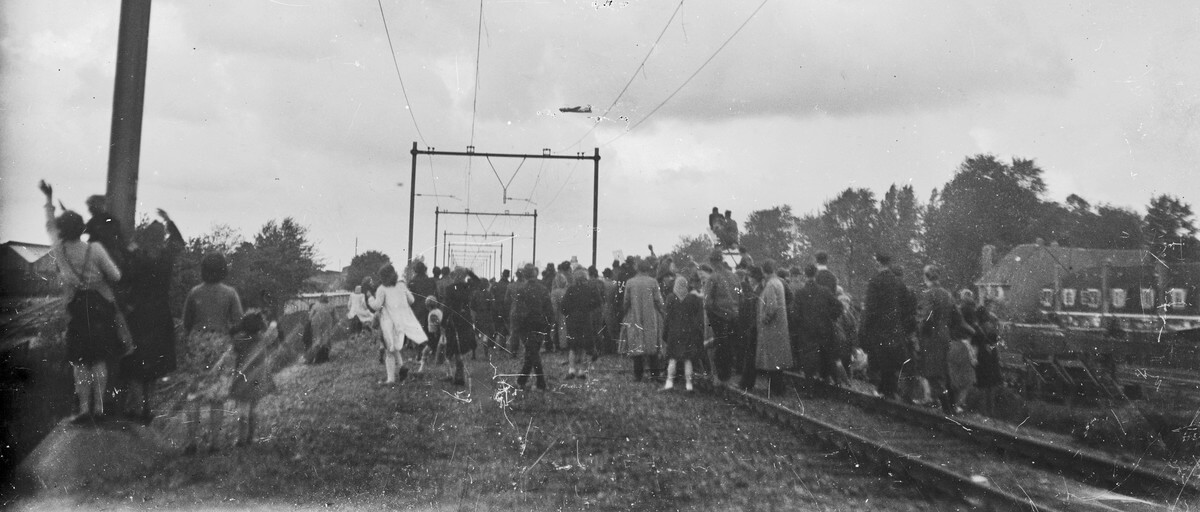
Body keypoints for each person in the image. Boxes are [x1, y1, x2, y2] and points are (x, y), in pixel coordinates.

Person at [41, 181, 124, 422]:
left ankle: (83, 409)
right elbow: (116, 276)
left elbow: (49, 226)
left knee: (79, 361)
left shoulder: (59, 249)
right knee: (98, 359)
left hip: (76, 309)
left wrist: (49, 200)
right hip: (99, 308)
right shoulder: (95, 249)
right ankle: (99, 408)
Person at [120, 208, 184, 424]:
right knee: (154, 366)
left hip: (139, 314)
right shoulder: (166, 257)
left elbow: (125, 279)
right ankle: (148, 408)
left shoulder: (138, 257)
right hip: (160, 315)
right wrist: (169, 220)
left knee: (136, 364)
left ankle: (135, 408)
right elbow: (179, 243)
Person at [185, 311, 279, 453]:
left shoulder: (238, 341)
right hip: (259, 379)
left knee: (243, 411)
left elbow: (227, 355)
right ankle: (250, 438)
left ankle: (242, 439)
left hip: (243, 380)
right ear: (259, 326)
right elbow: (273, 333)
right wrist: (272, 323)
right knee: (252, 409)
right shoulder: (263, 339)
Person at [859, 253, 915, 400]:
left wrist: (866, 329)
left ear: (878, 263)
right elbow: (907, 308)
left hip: (879, 329)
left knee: (880, 360)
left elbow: (870, 309)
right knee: (892, 360)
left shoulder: (874, 282)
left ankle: (885, 391)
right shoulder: (899, 283)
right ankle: (890, 392)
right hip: (895, 329)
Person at [917, 265, 968, 413]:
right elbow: (958, 317)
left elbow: (926, 318)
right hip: (945, 336)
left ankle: (946, 407)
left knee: (933, 373)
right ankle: (951, 405)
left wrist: (921, 332)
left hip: (931, 338)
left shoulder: (928, 294)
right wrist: (949, 330)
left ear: (926, 277)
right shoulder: (947, 294)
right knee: (945, 372)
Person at [183, 252, 244, 374]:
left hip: (197, 341)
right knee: (220, 382)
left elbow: (187, 322)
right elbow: (239, 322)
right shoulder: (230, 293)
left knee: (198, 382)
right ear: (223, 270)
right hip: (221, 341)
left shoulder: (194, 292)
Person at [370, 263, 428, 385]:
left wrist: (370, 298)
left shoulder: (381, 289)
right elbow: (412, 300)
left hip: (388, 322)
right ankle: (402, 367)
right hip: (401, 321)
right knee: (395, 346)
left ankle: (390, 379)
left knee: (389, 351)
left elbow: (376, 306)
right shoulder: (402, 285)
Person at [795, 264, 845, 385]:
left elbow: (795, 313)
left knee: (808, 359)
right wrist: (830, 317)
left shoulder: (800, 293)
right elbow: (839, 306)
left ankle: (810, 389)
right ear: (816, 274)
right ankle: (832, 381)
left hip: (807, 330)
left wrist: (801, 324)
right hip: (824, 328)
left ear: (805, 275)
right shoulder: (825, 291)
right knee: (827, 355)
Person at [510, 264, 554, 391]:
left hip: (525, 325)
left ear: (524, 274)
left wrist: (516, 326)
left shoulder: (521, 290)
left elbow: (517, 311)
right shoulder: (543, 289)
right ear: (536, 274)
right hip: (540, 324)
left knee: (532, 353)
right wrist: (549, 324)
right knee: (532, 352)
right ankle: (522, 381)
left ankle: (541, 382)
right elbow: (549, 309)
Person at [620, 258, 665, 382]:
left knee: (636, 344)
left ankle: (638, 375)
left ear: (637, 268)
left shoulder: (630, 282)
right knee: (652, 345)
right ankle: (655, 375)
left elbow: (626, 301)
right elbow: (659, 301)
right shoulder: (653, 282)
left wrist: (625, 312)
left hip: (634, 315)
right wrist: (663, 312)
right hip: (651, 316)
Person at [702, 250, 740, 384]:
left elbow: (706, 302)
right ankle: (728, 375)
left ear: (712, 262)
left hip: (719, 316)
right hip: (734, 316)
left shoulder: (713, 278)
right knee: (730, 345)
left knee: (720, 346)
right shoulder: (734, 276)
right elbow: (740, 295)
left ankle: (721, 377)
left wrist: (713, 316)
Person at [662, 271, 704, 391]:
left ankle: (669, 382)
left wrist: (665, 334)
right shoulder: (692, 298)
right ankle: (689, 385)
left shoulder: (670, 298)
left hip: (674, 333)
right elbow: (697, 317)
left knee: (672, 358)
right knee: (688, 359)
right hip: (688, 333)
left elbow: (667, 318)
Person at [754, 260, 792, 394]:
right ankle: (778, 388)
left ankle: (776, 389)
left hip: (772, 328)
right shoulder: (779, 282)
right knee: (777, 360)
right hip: (779, 327)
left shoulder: (770, 285)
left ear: (764, 271)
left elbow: (771, 307)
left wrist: (763, 320)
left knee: (771, 359)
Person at [561, 268, 600, 379]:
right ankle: (582, 371)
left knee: (573, 346)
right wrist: (589, 308)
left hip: (572, 320)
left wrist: (569, 313)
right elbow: (598, 302)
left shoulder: (571, 289)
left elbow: (563, 306)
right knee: (586, 346)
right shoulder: (590, 289)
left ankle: (571, 370)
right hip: (586, 319)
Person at [439, 268, 476, 385]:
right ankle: (460, 374)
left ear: (455, 276)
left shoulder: (450, 289)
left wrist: (443, 322)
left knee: (455, 346)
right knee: (463, 346)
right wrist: (469, 272)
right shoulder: (468, 287)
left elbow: (446, 307)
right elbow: (478, 281)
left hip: (454, 320)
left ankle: (458, 375)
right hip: (466, 319)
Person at [469, 274, 498, 359]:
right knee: (486, 334)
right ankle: (485, 354)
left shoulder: (475, 294)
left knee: (476, 335)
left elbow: (472, 306)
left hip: (478, 316)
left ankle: (474, 354)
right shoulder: (489, 294)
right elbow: (492, 306)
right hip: (487, 316)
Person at [305, 294, 337, 364]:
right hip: (327, 325)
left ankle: (312, 359)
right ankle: (325, 358)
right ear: (327, 299)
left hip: (316, 325)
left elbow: (310, 317)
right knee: (326, 341)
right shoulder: (331, 306)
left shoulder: (315, 306)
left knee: (317, 341)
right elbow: (335, 317)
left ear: (320, 299)